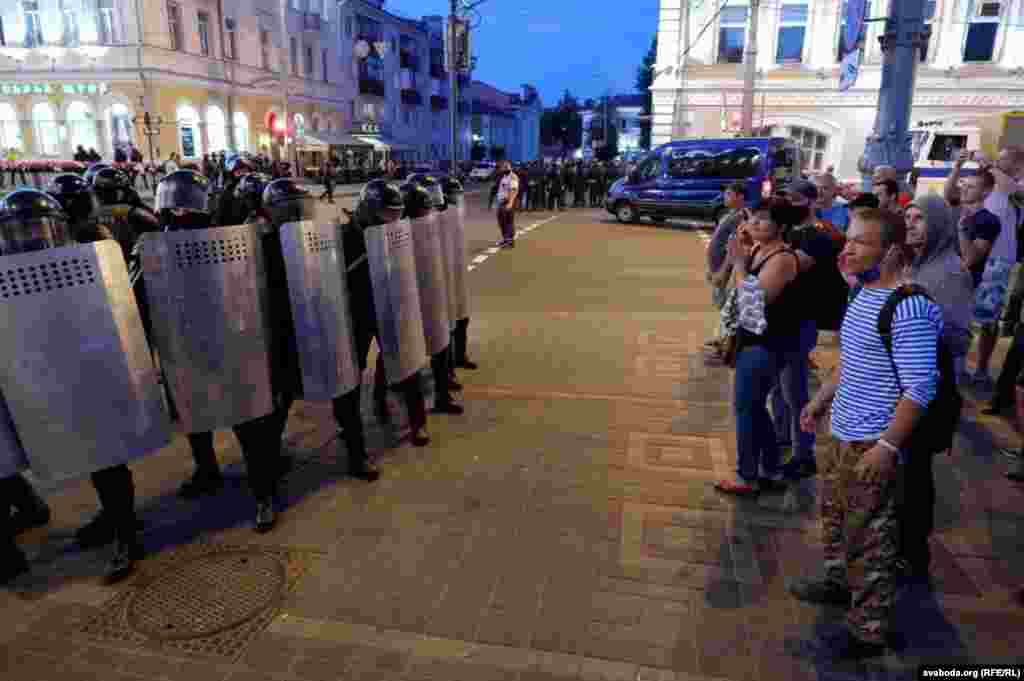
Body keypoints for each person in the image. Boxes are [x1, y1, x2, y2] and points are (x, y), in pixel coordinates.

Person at [794, 208, 942, 659]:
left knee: (871, 536)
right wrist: (821, 401)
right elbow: (852, 358)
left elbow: (921, 386)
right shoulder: (863, 292)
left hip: (872, 440)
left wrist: (887, 445)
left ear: (892, 250)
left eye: (861, 242)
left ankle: (869, 628)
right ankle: (840, 583)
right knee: (837, 518)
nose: (848, 248)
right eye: (849, 238)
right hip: (842, 430)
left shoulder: (910, 304)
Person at [0, 189, 146, 583]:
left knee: (107, 458)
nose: (32, 239)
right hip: (48, 376)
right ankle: (113, 520)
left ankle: (126, 533)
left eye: (38, 229)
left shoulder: (86, 259)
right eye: (21, 231)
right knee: (84, 453)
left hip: (93, 367)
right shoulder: (9, 275)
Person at [714, 198, 801, 496]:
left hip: (767, 343)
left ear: (781, 225)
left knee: (746, 408)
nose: (754, 224)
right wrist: (735, 257)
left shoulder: (782, 259)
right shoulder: (758, 249)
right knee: (754, 407)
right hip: (752, 341)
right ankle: (771, 469)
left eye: (763, 219)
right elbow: (732, 291)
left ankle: (746, 475)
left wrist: (739, 264)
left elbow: (753, 304)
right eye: (752, 218)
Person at [967, 147, 1024, 389]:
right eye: (997, 160)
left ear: (1018, 165)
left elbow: (1013, 189)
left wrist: (988, 163)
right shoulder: (992, 183)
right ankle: (960, 362)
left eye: (1003, 160)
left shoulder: (1015, 184)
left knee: (988, 319)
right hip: (975, 255)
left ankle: (981, 369)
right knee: (963, 313)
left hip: (999, 260)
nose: (998, 164)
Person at [905, 195, 975, 380]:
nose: (909, 225)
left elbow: (959, 340)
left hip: (933, 379)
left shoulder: (952, 272)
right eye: (907, 217)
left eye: (919, 218)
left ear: (937, 224)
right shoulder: (919, 264)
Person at [495, 160, 519, 248]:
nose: (503, 168)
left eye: (505, 167)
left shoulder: (512, 177)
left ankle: (510, 241)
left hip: (507, 202)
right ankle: (505, 239)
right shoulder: (504, 176)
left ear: (509, 167)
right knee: (502, 221)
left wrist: (510, 202)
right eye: (503, 167)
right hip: (502, 202)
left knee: (509, 222)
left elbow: (514, 190)